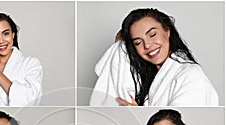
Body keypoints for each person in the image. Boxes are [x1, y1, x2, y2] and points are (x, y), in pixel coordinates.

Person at [90, 8, 218, 106]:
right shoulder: (150, 81)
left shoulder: (190, 75)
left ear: (167, 31)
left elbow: (179, 119)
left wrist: (138, 114)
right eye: (138, 42)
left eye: (152, 35)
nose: (147, 45)